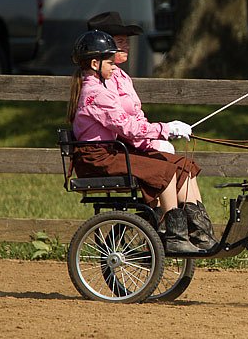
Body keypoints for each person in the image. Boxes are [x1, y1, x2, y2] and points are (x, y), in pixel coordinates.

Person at [67, 30, 217, 254]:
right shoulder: (97, 93)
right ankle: (174, 234)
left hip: (111, 152)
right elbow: (127, 127)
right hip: (98, 158)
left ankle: (201, 232)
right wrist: (166, 129)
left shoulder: (102, 88)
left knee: (183, 166)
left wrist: (159, 134)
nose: (113, 66)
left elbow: (129, 126)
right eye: (109, 62)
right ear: (95, 64)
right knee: (164, 172)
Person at [85, 11, 175, 154]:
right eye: (121, 42)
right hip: (119, 148)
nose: (127, 46)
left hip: (132, 142)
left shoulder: (123, 77)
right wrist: (161, 131)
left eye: (127, 41)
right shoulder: (100, 84)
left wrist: (150, 139)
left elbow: (136, 114)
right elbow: (119, 123)